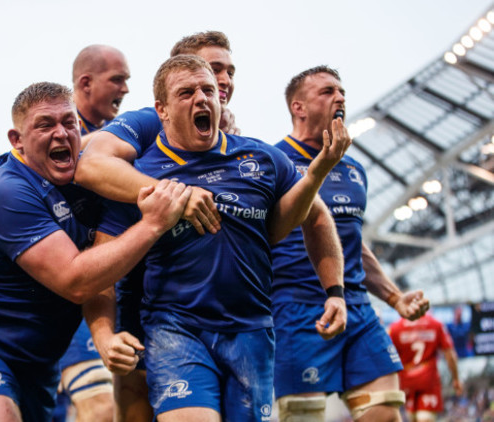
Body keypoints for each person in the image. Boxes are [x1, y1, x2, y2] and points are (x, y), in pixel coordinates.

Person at [93, 54, 349, 421]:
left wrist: (318, 171)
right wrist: (104, 335)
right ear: (161, 110)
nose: (202, 99)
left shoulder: (261, 157)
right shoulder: (139, 174)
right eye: (187, 93)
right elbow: (101, 265)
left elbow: (306, 218)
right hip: (175, 330)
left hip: (252, 331)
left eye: (208, 90)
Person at [0, 81, 191, 422]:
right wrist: (153, 223)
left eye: (69, 123)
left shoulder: (89, 177)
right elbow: (77, 280)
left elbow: (102, 268)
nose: (61, 133)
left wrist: (210, 117)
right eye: (44, 124)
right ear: (16, 140)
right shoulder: (7, 190)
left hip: (40, 360)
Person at [74, 31, 239, 422]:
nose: (223, 80)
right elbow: (90, 164)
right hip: (145, 298)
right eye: (212, 69)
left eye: (229, 71)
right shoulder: (149, 120)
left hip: (227, 316)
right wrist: (177, 198)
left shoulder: (240, 143)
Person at [270, 65, 430, 422]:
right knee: (301, 416)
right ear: (298, 107)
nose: (339, 98)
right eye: (327, 92)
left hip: (356, 306)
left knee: (385, 411)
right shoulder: (272, 162)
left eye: (341, 92)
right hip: (298, 308)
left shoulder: (354, 169)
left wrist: (393, 296)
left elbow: (352, 242)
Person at [53, 44, 132, 422]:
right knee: (100, 408)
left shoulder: (116, 136)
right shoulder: (56, 137)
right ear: (86, 83)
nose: (126, 89)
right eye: (118, 79)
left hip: (107, 289)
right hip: (63, 295)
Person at [389, 312, 462, 422]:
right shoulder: (436, 324)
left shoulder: (394, 328)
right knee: (425, 418)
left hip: (406, 381)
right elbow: (450, 355)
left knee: (413, 418)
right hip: (428, 380)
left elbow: (387, 356)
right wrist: (456, 379)